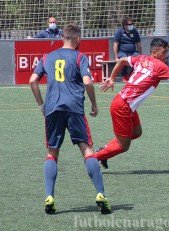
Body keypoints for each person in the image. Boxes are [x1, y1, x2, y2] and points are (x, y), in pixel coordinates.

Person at [29, 23, 111, 215]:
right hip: (74, 107)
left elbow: (32, 80)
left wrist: (41, 105)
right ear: (78, 39)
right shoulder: (80, 57)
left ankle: (49, 196)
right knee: (88, 150)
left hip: (52, 108)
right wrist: (94, 104)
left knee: (52, 153)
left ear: (62, 37)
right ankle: (100, 194)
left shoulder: (47, 56)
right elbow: (88, 81)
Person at [95, 38, 169, 169]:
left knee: (136, 132)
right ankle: (93, 158)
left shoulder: (141, 58)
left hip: (124, 103)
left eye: (167, 52)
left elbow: (121, 61)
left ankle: (104, 151)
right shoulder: (160, 66)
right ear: (154, 53)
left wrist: (112, 78)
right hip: (123, 106)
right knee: (123, 146)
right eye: (164, 52)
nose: (167, 55)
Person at [113, 16, 142, 82]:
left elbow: (139, 44)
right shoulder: (119, 32)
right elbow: (115, 45)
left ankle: (131, 74)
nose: (131, 25)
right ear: (125, 25)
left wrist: (140, 54)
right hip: (122, 52)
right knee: (124, 59)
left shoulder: (134, 31)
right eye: (129, 24)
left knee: (138, 59)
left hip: (133, 52)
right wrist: (116, 57)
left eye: (132, 24)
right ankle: (124, 75)